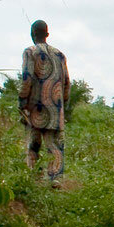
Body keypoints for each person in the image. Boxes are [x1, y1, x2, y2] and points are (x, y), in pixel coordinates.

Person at [17, 20, 70, 184]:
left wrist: (22, 103)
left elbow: (27, 79)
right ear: (47, 34)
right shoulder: (59, 55)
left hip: (35, 108)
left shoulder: (30, 52)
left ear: (32, 34)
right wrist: (63, 105)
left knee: (33, 145)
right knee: (54, 146)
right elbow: (67, 82)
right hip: (55, 108)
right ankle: (55, 180)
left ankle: (34, 179)